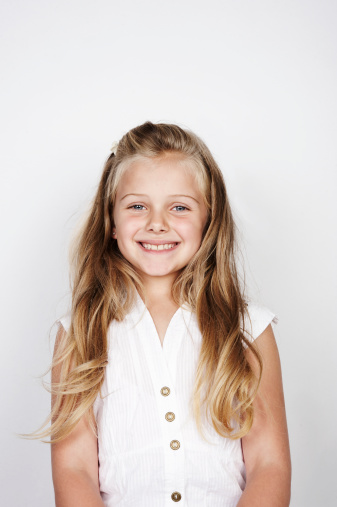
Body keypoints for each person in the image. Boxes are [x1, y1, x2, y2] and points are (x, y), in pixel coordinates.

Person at [44, 122, 291, 506]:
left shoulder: (249, 330)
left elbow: (268, 464)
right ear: (111, 221)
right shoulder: (80, 331)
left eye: (179, 207)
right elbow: (73, 466)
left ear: (208, 220)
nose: (157, 223)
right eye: (137, 206)